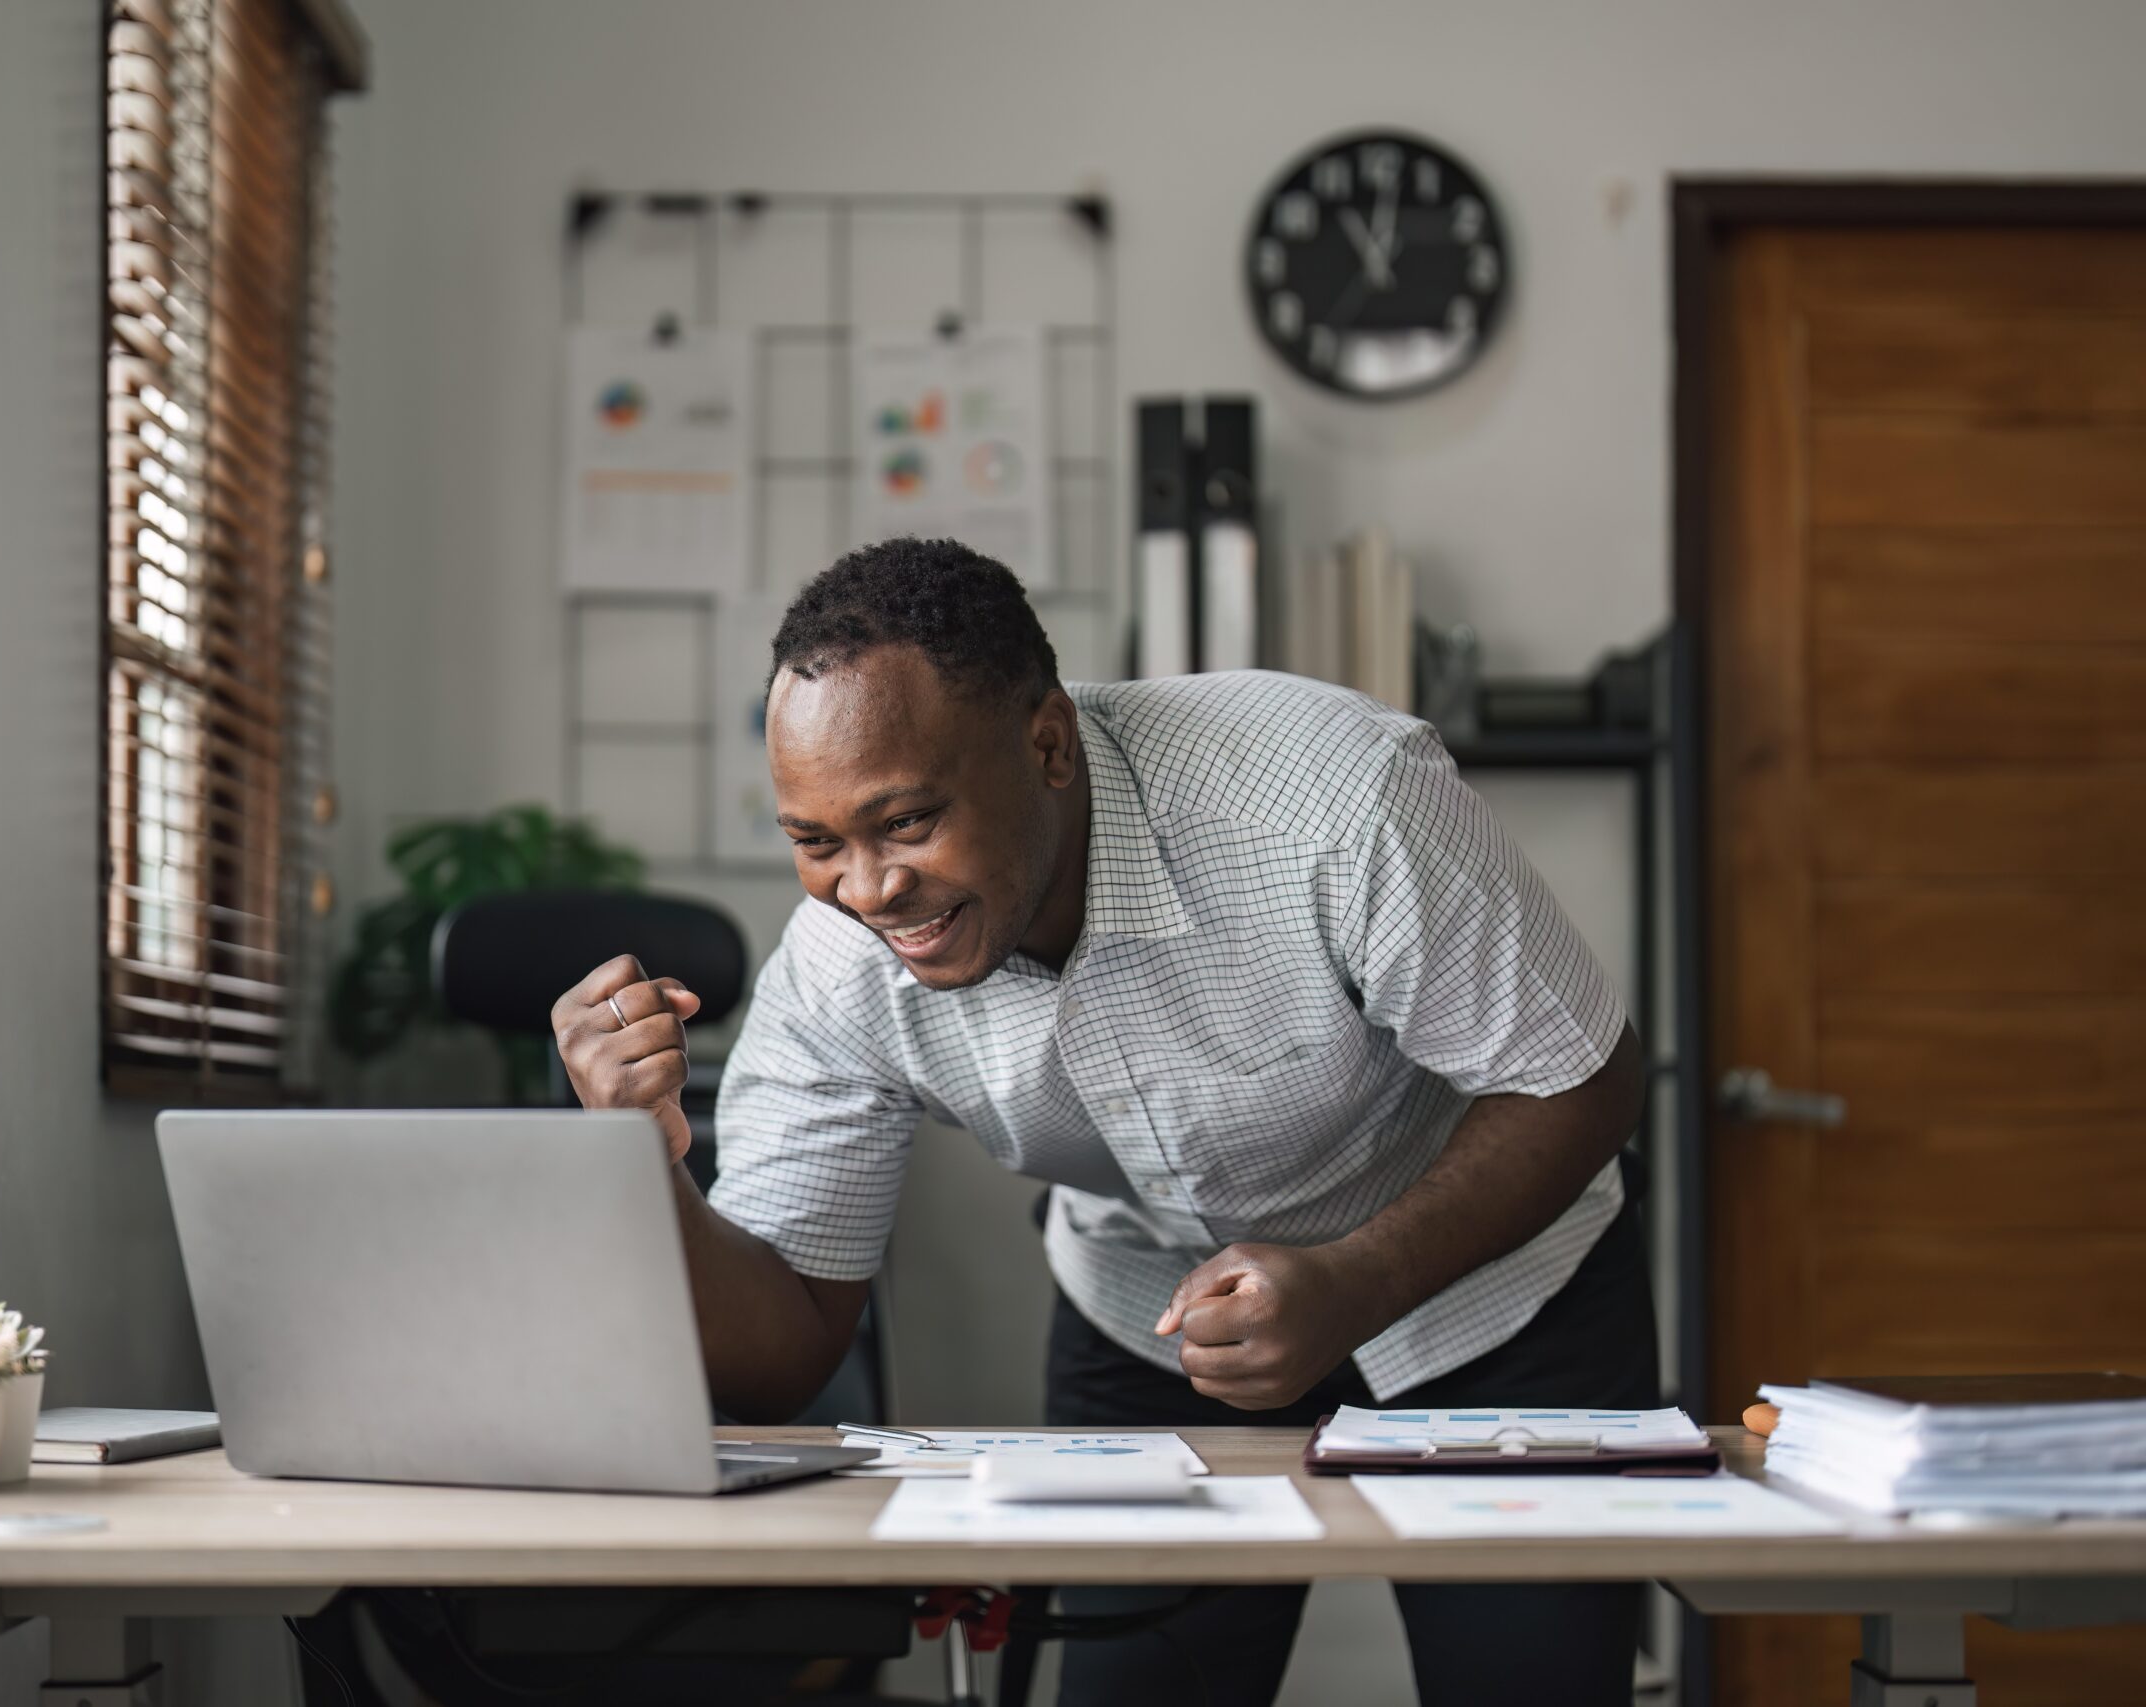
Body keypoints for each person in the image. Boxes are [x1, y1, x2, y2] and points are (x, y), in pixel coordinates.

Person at [551, 537, 1656, 1707]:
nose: (869, 891)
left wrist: (1354, 1283)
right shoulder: (837, 970)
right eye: (817, 843)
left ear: (1046, 746)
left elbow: (1579, 1075)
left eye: (909, 823)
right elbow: (779, 1355)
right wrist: (642, 1157)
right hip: (1155, 1324)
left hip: (1494, 1300)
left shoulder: (1331, 800)